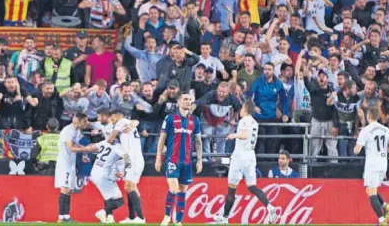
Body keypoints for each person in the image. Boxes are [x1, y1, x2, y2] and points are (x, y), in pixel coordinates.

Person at [213, 100, 278, 224]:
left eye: (242, 108)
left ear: (245, 108)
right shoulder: (255, 122)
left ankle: (225, 218)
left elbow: (245, 134)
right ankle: (269, 207)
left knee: (231, 188)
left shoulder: (244, 121)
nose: (240, 111)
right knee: (252, 186)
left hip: (240, 156)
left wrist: (234, 135)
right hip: (250, 156)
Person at [155, 93, 202, 226]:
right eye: (185, 99)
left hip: (187, 162)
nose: (188, 102)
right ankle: (166, 216)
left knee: (183, 191)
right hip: (172, 160)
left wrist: (199, 160)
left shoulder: (195, 120)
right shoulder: (170, 118)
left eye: (189, 99)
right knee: (174, 189)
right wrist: (158, 158)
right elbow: (161, 139)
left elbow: (198, 141)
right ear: (179, 102)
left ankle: (178, 221)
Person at [354, 106, 389, 226]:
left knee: (371, 193)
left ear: (368, 116)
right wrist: (383, 152)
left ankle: (381, 221)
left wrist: (355, 146)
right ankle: (385, 205)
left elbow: (357, 151)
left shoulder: (366, 130)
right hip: (383, 164)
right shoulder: (385, 129)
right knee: (370, 190)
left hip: (372, 164)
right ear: (377, 117)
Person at [55, 113, 97, 222]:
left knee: (69, 190)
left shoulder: (76, 131)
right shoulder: (67, 130)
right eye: (84, 121)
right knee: (65, 189)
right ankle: (60, 218)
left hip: (71, 163)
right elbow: (71, 148)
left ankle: (66, 217)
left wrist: (84, 154)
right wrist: (87, 149)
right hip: (64, 163)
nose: (86, 124)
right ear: (77, 121)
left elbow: (78, 145)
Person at [107, 111, 146, 224]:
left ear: (118, 116)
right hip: (130, 160)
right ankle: (132, 217)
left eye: (113, 117)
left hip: (134, 159)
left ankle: (141, 218)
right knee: (130, 187)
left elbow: (110, 139)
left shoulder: (122, 121)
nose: (112, 120)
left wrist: (110, 137)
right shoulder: (127, 124)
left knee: (129, 187)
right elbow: (135, 122)